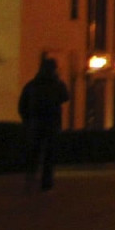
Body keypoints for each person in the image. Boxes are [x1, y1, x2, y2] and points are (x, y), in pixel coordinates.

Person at [18, 54, 70, 192]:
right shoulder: (56, 84)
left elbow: (22, 105)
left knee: (34, 152)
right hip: (52, 123)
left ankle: (30, 179)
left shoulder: (32, 85)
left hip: (35, 123)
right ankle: (46, 183)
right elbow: (66, 96)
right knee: (49, 154)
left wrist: (27, 120)